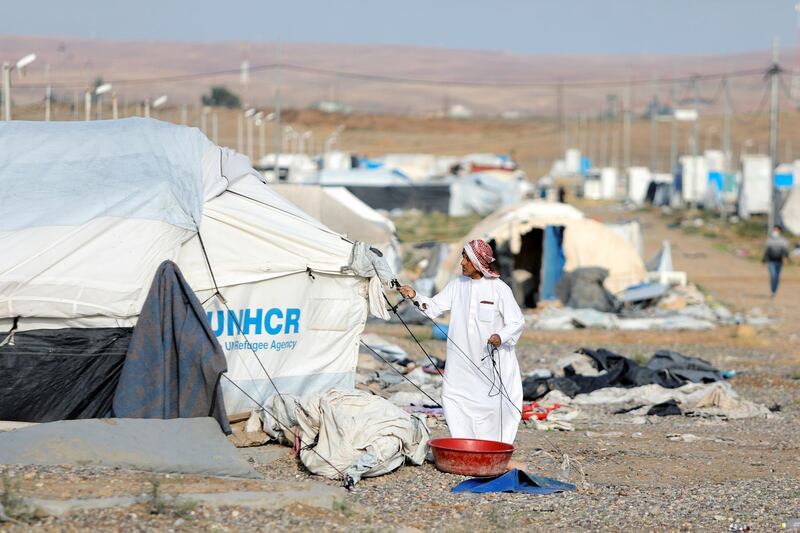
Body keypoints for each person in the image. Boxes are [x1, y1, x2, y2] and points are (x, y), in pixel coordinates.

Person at [399, 239, 524, 444]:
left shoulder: (500, 289)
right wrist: (414, 296)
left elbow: (516, 321)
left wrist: (500, 337)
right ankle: (465, 445)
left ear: (478, 261)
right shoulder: (457, 285)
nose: (462, 262)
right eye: (463, 257)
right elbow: (433, 307)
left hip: (491, 363)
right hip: (461, 362)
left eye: (466, 258)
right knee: (455, 399)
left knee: (496, 405)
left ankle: (495, 447)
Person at [762, 225, 790, 297]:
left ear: (780, 231)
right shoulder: (769, 240)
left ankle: (774, 290)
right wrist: (764, 259)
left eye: (776, 230)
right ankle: (772, 290)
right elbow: (766, 251)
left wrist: (786, 258)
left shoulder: (783, 241)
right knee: (773, 275)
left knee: (777, 277)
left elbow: (785, 251)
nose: (775, 231)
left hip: (779, 261)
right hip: (771, 261)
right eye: (774, 230)